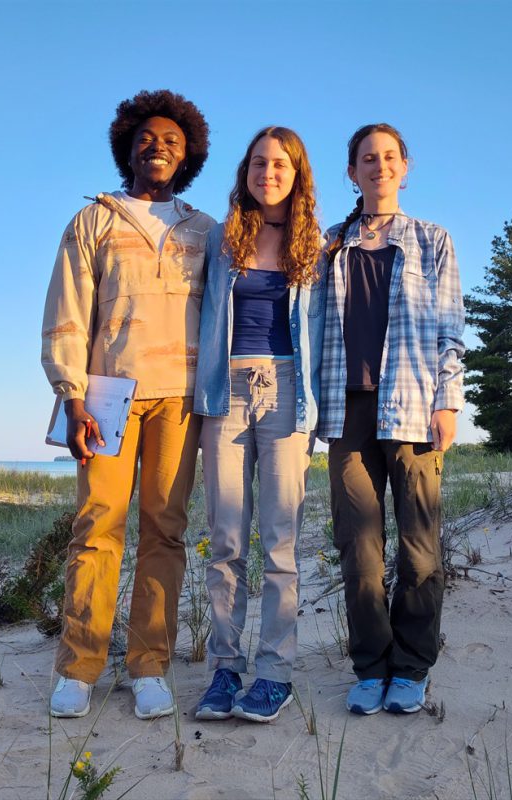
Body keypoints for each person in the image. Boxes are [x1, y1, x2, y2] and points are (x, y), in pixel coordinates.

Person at [41, 89, 216, 720]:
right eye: (147, 137)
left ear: (188, 152)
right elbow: (66, 311)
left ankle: (150, 666)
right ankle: (79, 667)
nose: (159, 146)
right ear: (128, 146)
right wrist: (72, 395)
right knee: (97, 527)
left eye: (172, 139)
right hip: (107, 395)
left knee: (165, 531)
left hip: (181, 398)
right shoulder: (94, 220)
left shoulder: (205, 230)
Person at [318, 123, 465, 715]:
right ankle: (371, 664)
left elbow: (449, 328)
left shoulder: (433, 239)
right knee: (359, 547)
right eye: (366, 159)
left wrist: (447, 400)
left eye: (388, 157)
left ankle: (412, 665)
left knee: (420, 547)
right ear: (351, 172)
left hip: (412, 407)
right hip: (347, 409)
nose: (378, 166)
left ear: (405, 167)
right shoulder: (330, 243)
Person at [193, 127, 325, 722]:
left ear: (297, 174)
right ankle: (225, 667)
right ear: (244, 171)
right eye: (257, 163)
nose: (267, 172)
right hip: (226, 393)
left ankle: (274, 672)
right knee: (225, 539)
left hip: (288, 393)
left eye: (279, 164)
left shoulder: (315, 247)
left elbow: (328, 333)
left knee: (280, 541)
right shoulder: (220, 241)